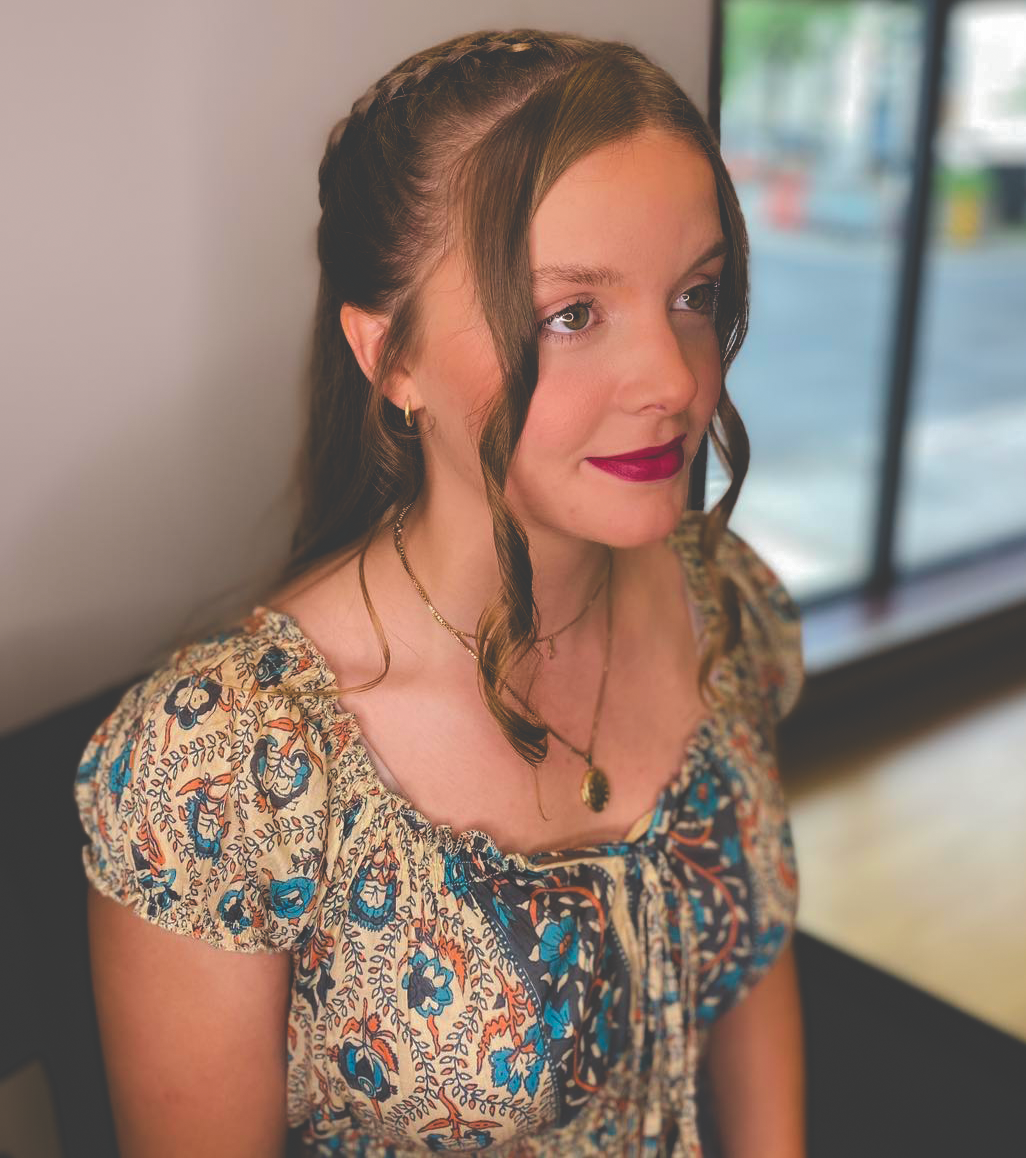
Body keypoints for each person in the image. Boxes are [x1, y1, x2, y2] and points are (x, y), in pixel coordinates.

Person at [74, 27, 807, 1158]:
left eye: (694, 294)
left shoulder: (723, 603)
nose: (672, 380)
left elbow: (753, 989)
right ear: (391, 358)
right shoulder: (223, 767)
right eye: (570, 314)